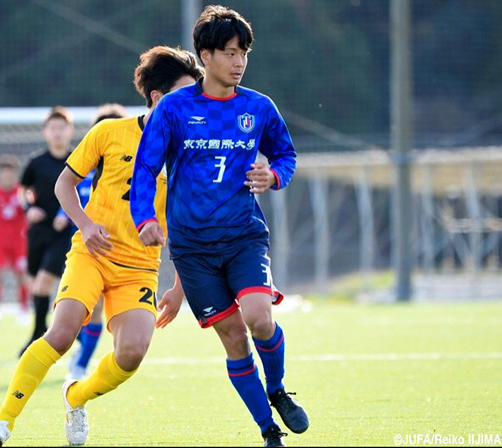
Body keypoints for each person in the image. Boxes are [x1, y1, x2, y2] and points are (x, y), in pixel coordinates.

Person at [0, 46, 203, 447]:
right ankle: (3, 422)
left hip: (140, 267)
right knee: (61, 333)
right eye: (186, 93)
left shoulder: (192, 154)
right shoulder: (109, 132)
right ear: (158, 97)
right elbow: (64, 184)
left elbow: (191, 228)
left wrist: (180, 288)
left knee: (132, 353)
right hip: (92, 253)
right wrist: (85, 223)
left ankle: (75, 397)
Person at [130, 6, 308, 447]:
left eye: (244, 52)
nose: (239, 62)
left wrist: (274, 176)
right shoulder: (173, 109)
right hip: (192, 250)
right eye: (229, 52)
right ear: (205, 56)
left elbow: (286, 155)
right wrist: (145, 218)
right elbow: (144, 169)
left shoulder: (258, 107)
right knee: (233, 338)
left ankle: (277, 387)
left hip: (244, 236)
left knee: (259, 319)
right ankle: (268, 430)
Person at [62, 103, 129, 380]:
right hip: (86, 244)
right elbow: (67, 190)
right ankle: (79, 352)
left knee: (102, 308)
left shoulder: (134, 165)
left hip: (123, 247)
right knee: (81, 308)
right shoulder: (86, 168)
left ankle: (81, 365)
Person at [17, 106, 75, 356]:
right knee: (36, 286)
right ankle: (52, 331)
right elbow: (22, 190)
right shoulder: (36, 162)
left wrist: (70, 214)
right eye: (53, 128)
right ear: (45, 132)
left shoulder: (77, 159)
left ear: (69, 130)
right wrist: (29, 208)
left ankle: (38, 336)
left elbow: (85, 190)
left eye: (62, 128)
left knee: (42, 285)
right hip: (39, 232)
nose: (57, 133)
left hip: (64, 234)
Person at [0, 154, 29, 324]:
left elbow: (28, 215)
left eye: (10, 172)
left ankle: (24, 309)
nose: (7, 176)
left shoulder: (22, 193)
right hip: (1, 241)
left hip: (20, 242)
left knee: (21, 275)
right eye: (4, 172)